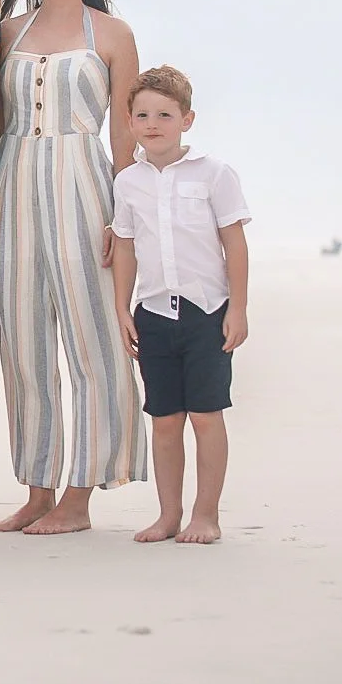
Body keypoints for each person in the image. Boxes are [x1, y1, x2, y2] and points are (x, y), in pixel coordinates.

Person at [0, 0, 148, 534]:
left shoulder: (112, 34)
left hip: (86, 190)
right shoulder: (6, 33)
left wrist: (125, 222)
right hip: (14, 192)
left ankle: (81, 493)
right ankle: (37, 487)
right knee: (23, 345)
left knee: (94, 343)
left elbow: (128, 139)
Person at [109, 65, 251, 545]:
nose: (153, 124)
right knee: (165, 420)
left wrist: (238, 309)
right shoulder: (128, 182)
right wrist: (123, 309)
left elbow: (235, 244)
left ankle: (205, 515)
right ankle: (168, 515)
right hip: (153, 314)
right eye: (143, 115)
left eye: (165, 115)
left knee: (206, 416)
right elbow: (125, 246)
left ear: (186, 119)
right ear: (129, 121)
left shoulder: (215, 174)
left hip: (207, 312)